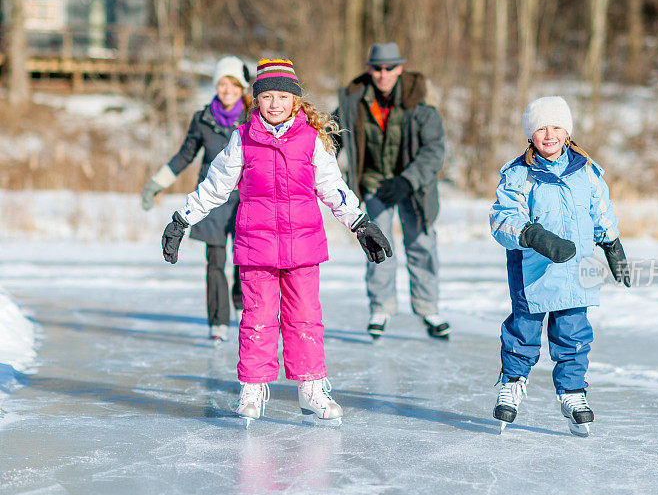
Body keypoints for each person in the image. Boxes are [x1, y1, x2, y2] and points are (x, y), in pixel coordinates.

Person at [160, 58, 392, 427]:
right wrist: (182, 219)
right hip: (257, 248)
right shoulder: (242, 139)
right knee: (257, 318)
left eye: (283, 96)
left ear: (296, 100)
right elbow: (215, 185)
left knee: (305, 319)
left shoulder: (311, 140)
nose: (274, 104)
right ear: (256, 100)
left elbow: (334, 189)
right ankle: (252, 388)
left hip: (303, 249)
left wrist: (361, 224)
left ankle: (311, 388)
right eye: (266, 96)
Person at [489, 96, 631, 436]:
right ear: (529, 134)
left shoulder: (586, 170)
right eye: (540, 127)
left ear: (567, 131)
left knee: (574, 333)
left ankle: (572, 392)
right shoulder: (519, 173)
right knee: (523, 330)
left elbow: (600, 209)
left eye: (555, 126)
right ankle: (512, 382)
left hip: (577, 271)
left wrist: (611, 242)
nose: (548, 134)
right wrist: (532, 234)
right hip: (533, 270)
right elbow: (501, 220)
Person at [333, 42, 449, 340]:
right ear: (369, 69)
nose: (383, 74)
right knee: (376, 243)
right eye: (377, 68)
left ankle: (428, 308)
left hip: (414, 186)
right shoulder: (353, 99)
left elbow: (434, 150)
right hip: (374, 183)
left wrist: (407, 181)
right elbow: (331, 137)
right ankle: (381, 307)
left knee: (422, 243)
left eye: (389, 68)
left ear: (400, 67)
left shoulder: (420, 99)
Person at [141, 56, 251, 343]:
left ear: (242, 88)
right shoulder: (203, 119)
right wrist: (158, 182)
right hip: (213, 198)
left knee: (244, 257)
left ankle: (241, 305)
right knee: (215, 260)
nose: (227, 90)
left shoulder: (253, 118)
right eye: (222, 84)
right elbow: (185, 156)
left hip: (246, 199)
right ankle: (217, 322)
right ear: (216, 85)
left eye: (234, 84)